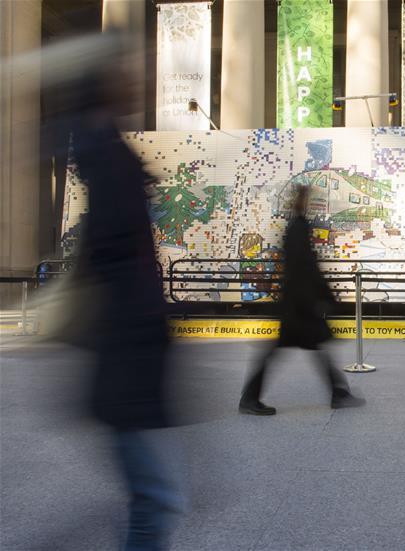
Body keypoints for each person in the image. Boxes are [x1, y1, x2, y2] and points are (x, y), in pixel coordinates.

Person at [64, 34, 184, 549]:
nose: (136, 73)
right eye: (125, 65)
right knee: (153, 497)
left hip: (126, 343)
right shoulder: (107, 155)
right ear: (104, 78)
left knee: (150, 494)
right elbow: (115, 257)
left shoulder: (105, 149)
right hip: (126, 345)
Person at [239, 186, 365, 415]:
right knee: (309, 347)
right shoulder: (299, 228)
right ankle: (337, 394)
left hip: (296, 304)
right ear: (303, 201)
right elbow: (306, 268)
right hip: (300, 306)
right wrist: (323, 297)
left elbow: (302, 268)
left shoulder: (295, 227)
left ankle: (338, 393)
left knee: (309, 347)